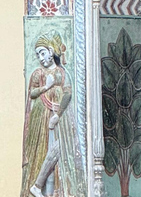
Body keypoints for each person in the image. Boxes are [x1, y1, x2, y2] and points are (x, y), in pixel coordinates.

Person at [21, 33, 82, 197]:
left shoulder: (62, 73)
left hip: (59, 118)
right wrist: (45, 87)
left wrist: (58, 114)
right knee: (43, 153)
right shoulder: (38, 73)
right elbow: (32, 93)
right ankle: (37, 187)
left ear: (50, 51)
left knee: (58, 153)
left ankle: (43, 189)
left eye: (42, 53)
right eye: (37, 55)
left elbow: (68, 93)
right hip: (40, 118)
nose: (40, 58)